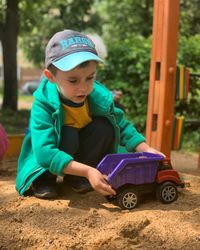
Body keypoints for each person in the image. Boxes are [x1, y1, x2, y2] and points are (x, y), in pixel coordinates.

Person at [16, 29, 164, 199]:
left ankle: (75, 177)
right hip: (45, 162)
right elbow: (44, 152)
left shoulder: (96, 97)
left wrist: (146, 149)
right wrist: (88, 171)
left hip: (78, 153)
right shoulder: (43, 104)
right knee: (69, 134)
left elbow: (121, 125)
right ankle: (44, 180)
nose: (84, 87)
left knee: (105, 127)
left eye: (90, 77)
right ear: (51, 77)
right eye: (73, 80)